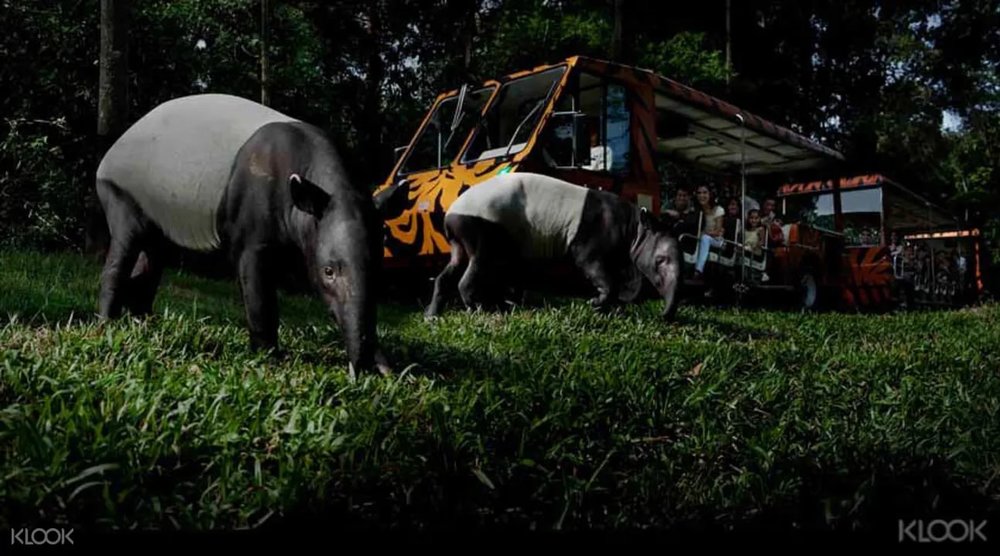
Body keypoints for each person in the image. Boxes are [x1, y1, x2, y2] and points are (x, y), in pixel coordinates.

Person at [693, 185, 726, 279]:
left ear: (710, 194)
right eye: (699, 193)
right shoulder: (697, 211)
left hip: (716, 239)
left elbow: (718, 231)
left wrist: (705, 233)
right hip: (700, 237)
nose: (701, 195)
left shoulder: (718, 210)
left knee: (705, 238)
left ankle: (699, 269)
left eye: (704, 193)